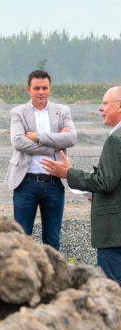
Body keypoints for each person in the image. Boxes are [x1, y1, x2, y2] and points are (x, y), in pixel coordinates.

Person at [40, 86, 121, 284]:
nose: (100, 108)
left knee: (112, 291)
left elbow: (105, 182)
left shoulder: (116, 140)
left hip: (114, 235)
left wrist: (68, 173)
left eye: (104, 103)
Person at [4, 70, 77, 251]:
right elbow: (19, 142)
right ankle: (22, 278)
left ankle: (51, 278)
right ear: (29, 89)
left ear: (50, 88)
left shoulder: (63, 111)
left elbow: (71, 139)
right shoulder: (18, 112)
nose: (41, 92)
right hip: (25, 182)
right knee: (21, 240)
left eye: (45, 88)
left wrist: (36, 136)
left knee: (52, 241)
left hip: (54, 182)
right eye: (37, 88)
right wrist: (54, 144)